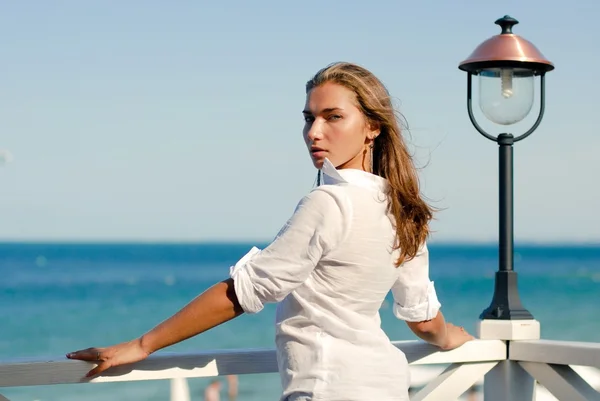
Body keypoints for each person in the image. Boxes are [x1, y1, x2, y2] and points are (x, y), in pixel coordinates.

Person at [66, 62, 474, 400]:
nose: (314, 132)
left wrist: (142, 345)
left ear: (372, 127)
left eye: (333, 117)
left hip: (327, 387)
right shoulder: (402, 210)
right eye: (309, 118)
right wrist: (451, 337)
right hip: (385, 386)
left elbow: (243, 292)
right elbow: (422, 319)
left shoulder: (329, 203)